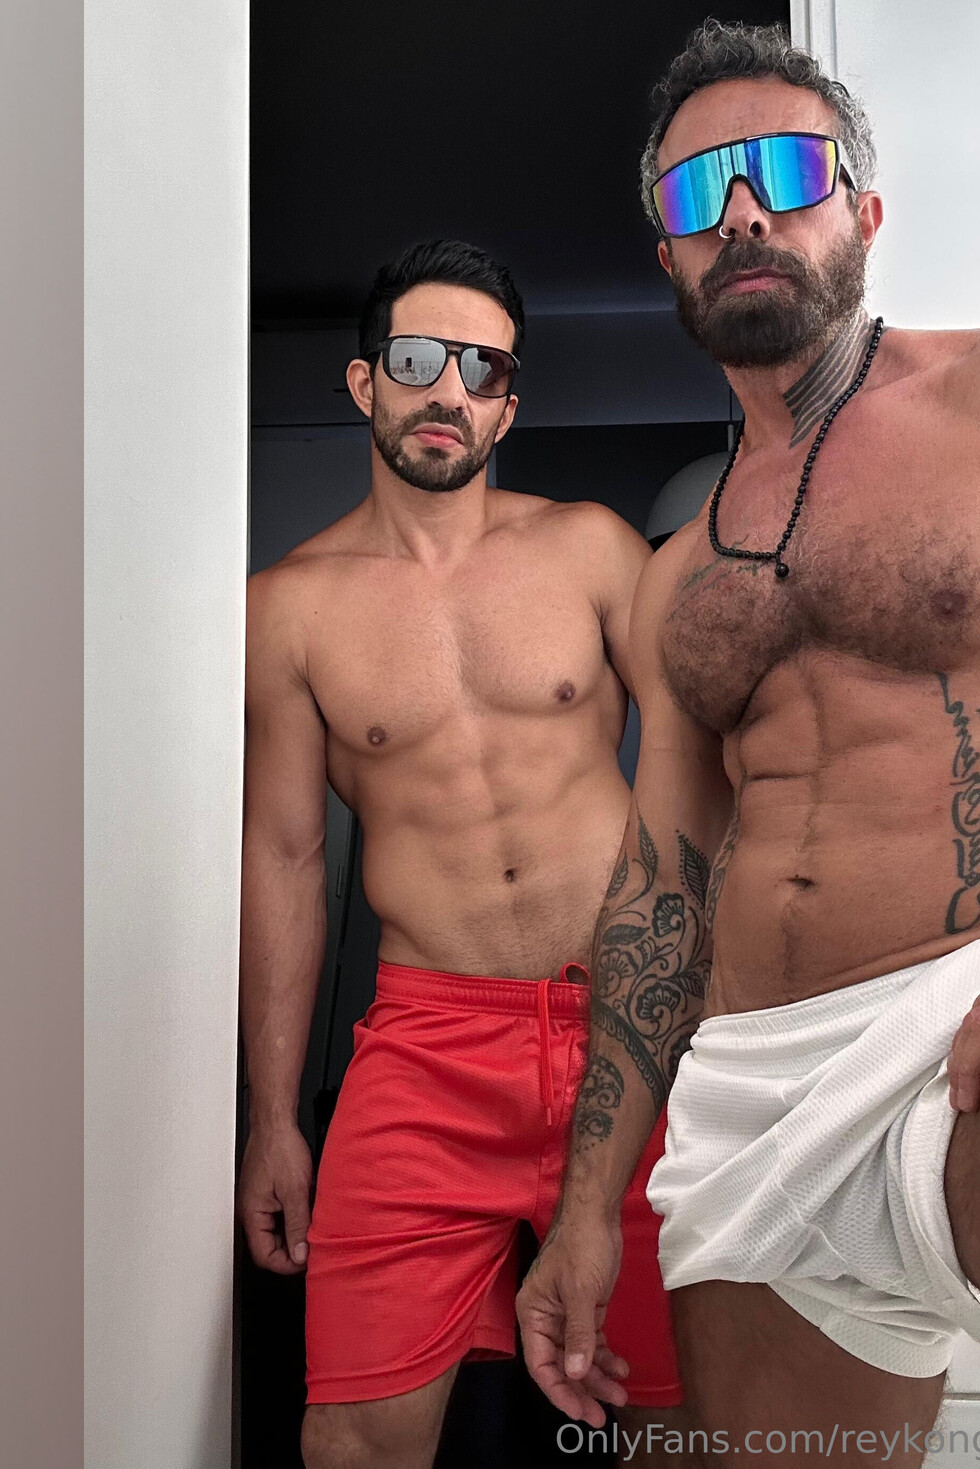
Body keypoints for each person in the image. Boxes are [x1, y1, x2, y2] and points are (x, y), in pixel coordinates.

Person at [517, 22, 980, 1465]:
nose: (740, 212)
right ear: (668, 253)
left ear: (864, 208)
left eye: (785, 170)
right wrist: (587, 1210)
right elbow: (659, 889)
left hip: (975, 1015)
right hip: (755, 1099)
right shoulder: (677, 576)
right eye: (694, 191)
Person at [237, 239, 701, 1468]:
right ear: (363, 383)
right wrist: (273, 1117)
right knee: (352, 1438)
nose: (449, 389)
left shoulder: (594, 550)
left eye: (482, 368)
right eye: (416, 360)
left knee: (677, 1423)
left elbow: (707, 778)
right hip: (427, 1048)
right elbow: (284, 860)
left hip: (631, 1029)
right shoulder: (287, 608)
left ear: (509, 405)